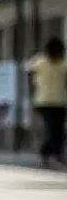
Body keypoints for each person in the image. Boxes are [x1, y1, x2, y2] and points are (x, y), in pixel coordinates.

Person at [26, 37, 67, 168]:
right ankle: (46, 153)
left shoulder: (64, 63)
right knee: (50, 129)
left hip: (60, 101)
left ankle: (56, 154)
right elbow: (29, 72)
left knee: (59, 130)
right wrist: (32, 89)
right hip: (43, 101)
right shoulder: (40, 61)